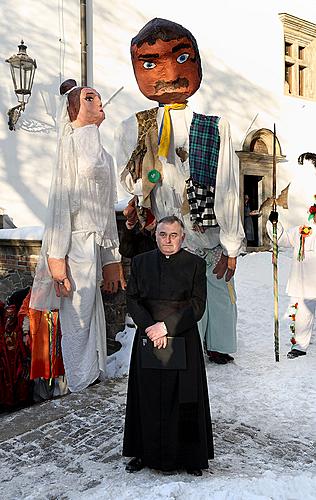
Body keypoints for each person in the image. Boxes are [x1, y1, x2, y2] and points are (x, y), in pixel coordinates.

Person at [115, 18, 245, 365]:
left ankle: (219, 342)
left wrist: (232, 245)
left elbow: (228, 187)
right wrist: (148, 177)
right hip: (168, 233)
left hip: (209, 232)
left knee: (217, 285)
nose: (170, 73)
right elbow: (128, 181)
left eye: (182, 58)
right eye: (150, 63)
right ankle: (185, 338)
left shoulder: (216, 127)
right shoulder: (135, 126)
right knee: (177, 292)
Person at [30, 79, 126, 392]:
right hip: (73, 246)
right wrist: (56, 257)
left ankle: (93, 372)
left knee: (92, 310)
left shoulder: (106, 157)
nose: (97, 102)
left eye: (97, 97)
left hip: (95, 245)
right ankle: (79, 380)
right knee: (77, 315)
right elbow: (60, 203)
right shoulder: (69, 147)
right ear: (73, 109)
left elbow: (108, 210)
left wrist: (112, 257)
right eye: (88, 98)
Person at [123, 216, 213, 475]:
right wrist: (151, 327)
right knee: (147, 396)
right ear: (156, 236)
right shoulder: (141, 263)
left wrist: (167, 326)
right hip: (148, 334)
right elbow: (133, 299)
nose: (168, 240)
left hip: (182, 337)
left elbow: (197, 305)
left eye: (174, 235)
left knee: (185, 398)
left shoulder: (195, 264)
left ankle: (190, 457)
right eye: (163, 234)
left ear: (182, 237)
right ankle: (143, 452)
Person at [268, 196, 316, 359]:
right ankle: (300, 347)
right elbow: (282, 239)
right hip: (304, 282)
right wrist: (274, 223)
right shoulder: (302, 230)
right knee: (303, 312)